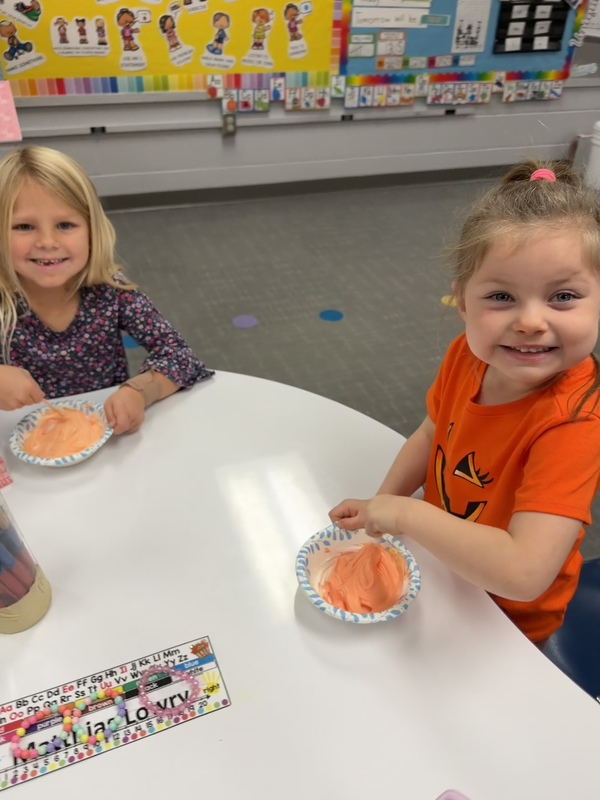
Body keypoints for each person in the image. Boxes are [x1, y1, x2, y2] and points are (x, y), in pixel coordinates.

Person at [330, 161, 600, 646]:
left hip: (507, 621)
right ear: (462, 302)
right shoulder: (466, 356)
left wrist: (405, 515)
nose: (530, 322)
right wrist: (382, 503)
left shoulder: (575, 422)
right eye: (501, 296)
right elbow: (433, 432)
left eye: (563, 296)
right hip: (441, 567)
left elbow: (523, 572)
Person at [0, 146, 213, 434]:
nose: (47, 242)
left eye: (65, 224)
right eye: (24, 226)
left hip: (104, 437)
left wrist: (138, 392)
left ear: (91, 229)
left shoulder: (111, 291)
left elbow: (178, 356)